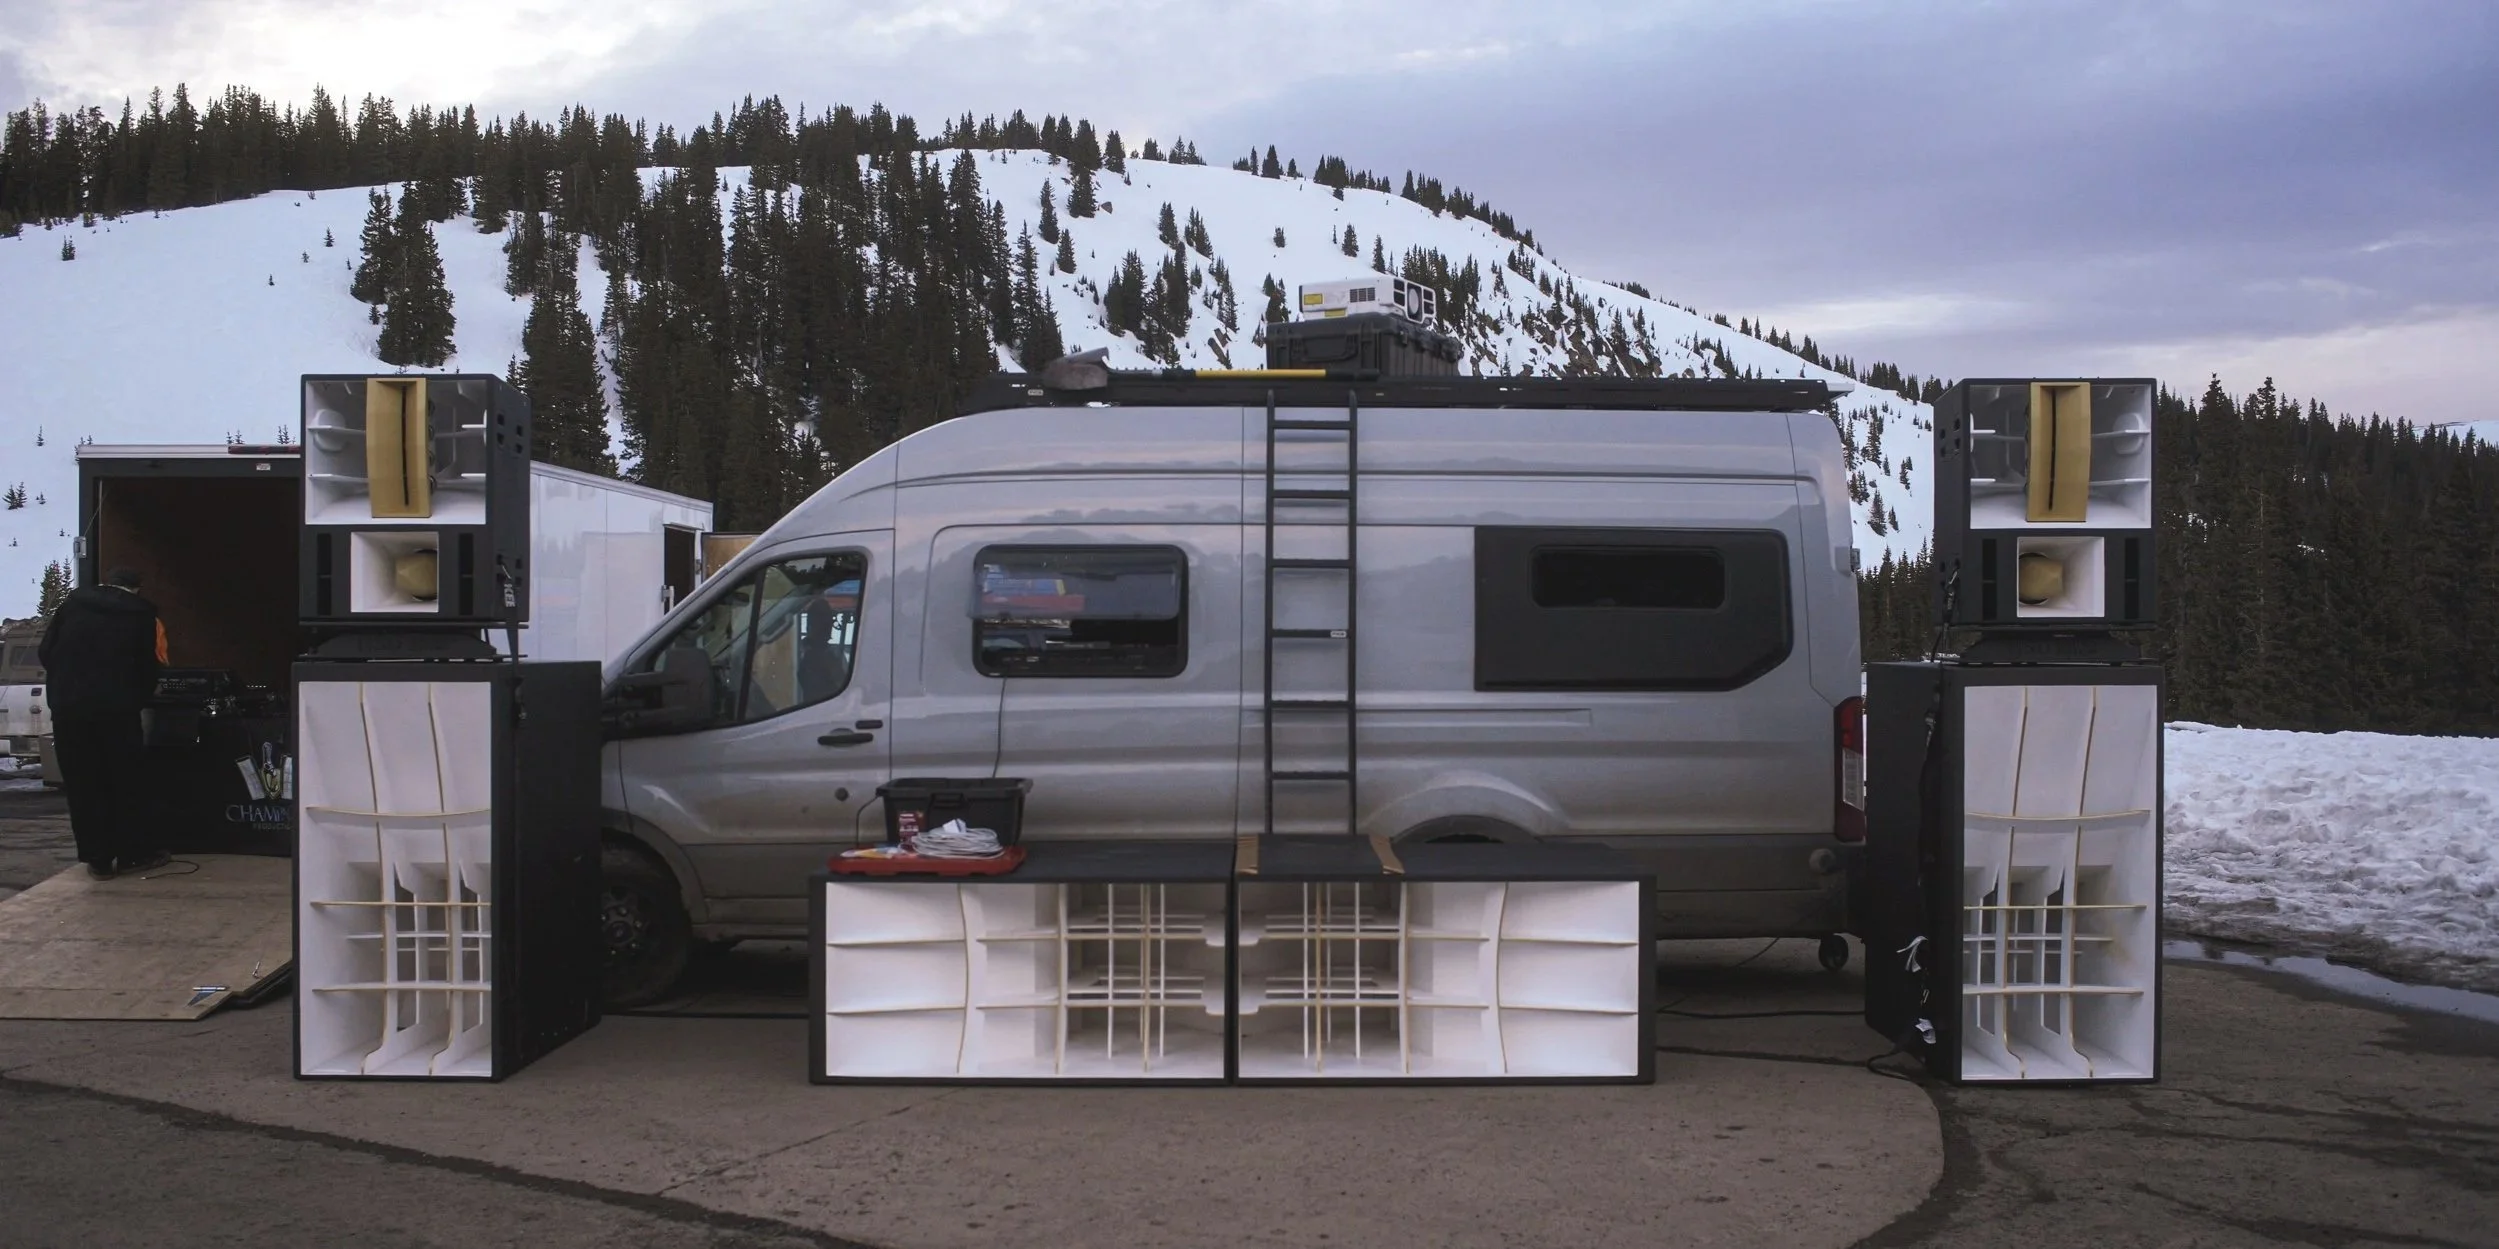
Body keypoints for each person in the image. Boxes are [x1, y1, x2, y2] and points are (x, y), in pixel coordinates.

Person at [38, 567, 168, 879]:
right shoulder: (142, 615)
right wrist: (135, 696)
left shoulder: (71, 606)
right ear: (135, 589)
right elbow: (152, 666)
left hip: (68, 710)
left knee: (83, 783)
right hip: (116, 710)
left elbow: (46, 652)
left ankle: (97, 859)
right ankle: (133, 855)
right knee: (124, 781)